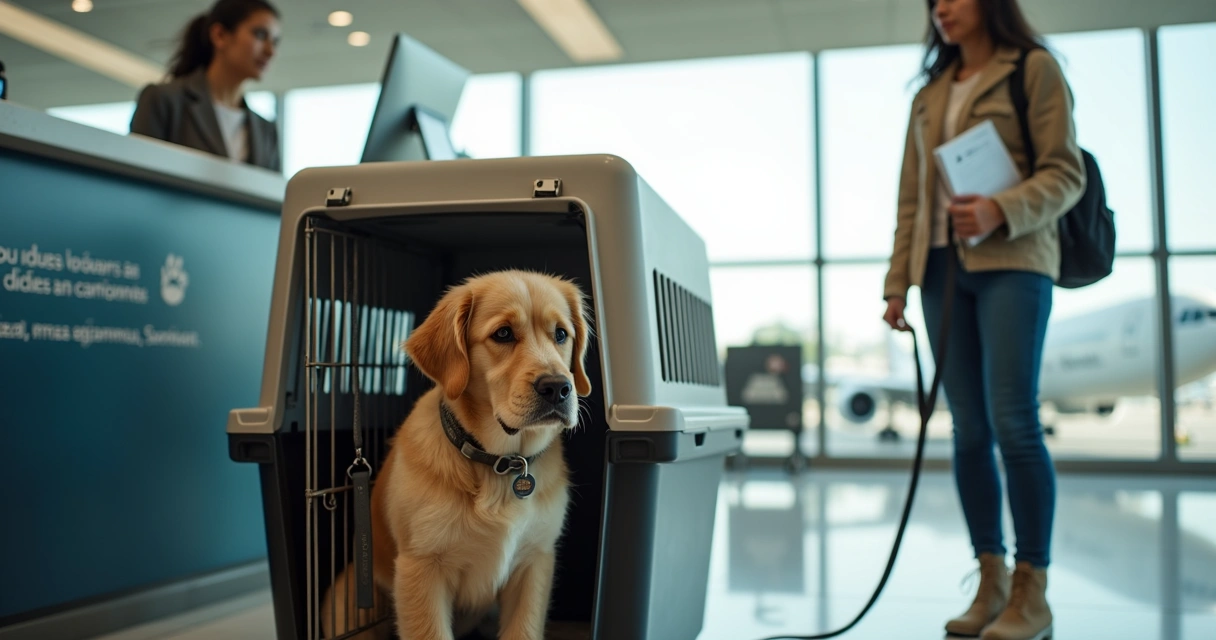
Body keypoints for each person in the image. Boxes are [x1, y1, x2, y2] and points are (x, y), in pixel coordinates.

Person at [882, 0, 1085, 639]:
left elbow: (1066, 172)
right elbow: (912, 197)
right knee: (968, 429)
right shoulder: (929, 95)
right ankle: (990, 579)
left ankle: (1033, 590)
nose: (941, 7)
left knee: (1014, 421)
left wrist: (1001, 208)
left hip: (1015, 259)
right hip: (941, 269)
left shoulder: (1033, 69)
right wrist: (897, 284)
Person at [130, 0, 282, 172]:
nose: (271, 51)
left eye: (275, 41)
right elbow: (138, 180)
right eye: (260, 35)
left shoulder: (266, 130)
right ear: (220, 35)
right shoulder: (163, 100)